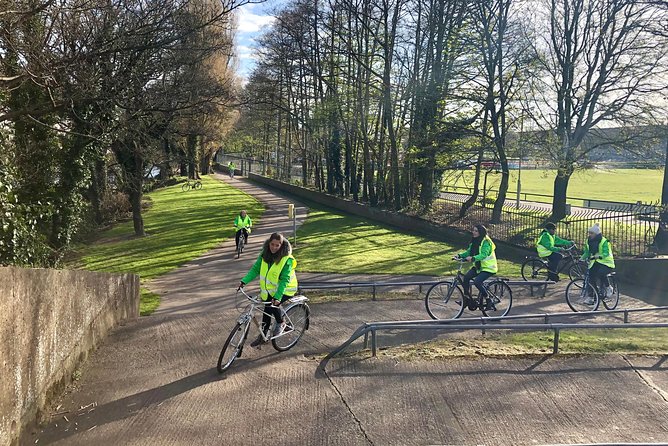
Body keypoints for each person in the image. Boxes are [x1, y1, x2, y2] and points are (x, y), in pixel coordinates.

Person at [238, 232, 298, 347]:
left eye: (277, 245)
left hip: (286, 289)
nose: (274, 247)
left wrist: (278, 296)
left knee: (272, 305)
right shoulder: (264, 255)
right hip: (271, 290)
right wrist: (243, 281)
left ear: (281, 245)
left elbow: (285, 280)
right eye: (272, 244)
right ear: (269, 243)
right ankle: (264, 335)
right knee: (267, 311)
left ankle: (281, 323)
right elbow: (256, 269)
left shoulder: (287, 259)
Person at [454, 224, 498, 310]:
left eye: (476, 231)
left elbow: (483, 255)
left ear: (481, 232)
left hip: (489, 268)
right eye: (473, 230)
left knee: (477, 282)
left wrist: (473, 258)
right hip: (479, 267)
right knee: (466, 278)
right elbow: (468, 252)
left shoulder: (486, 242)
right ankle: (466, 299)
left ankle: (489, 300)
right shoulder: (475, 241)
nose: (473, 232)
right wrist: (459, 256)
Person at [581, 223, 615, 303]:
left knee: (601, 273)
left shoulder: (604, 241)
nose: (589, 234)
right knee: (591, 278)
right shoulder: (588, 241)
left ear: (596, 234)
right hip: (595, 263)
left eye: (591, 233)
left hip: (607, 263)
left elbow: (606, 253)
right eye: (589, 233)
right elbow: (587, 252)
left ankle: (608, 287)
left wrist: (598, 256)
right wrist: (581, 258)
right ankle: (591, 297)